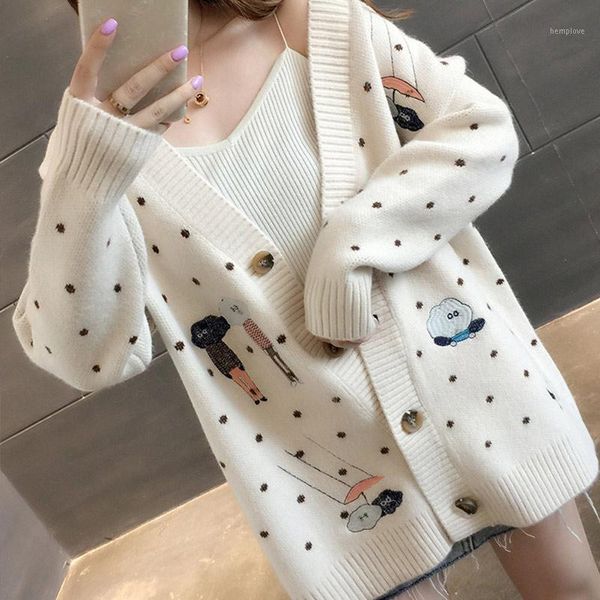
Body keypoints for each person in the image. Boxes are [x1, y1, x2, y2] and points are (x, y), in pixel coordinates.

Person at [13, 0, 600, 598]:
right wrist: (82, 180)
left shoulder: (314, 22)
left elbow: (480, 131)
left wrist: (354, 243)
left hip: (483, 395)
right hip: (337, 486)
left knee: (571, 589)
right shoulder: (95, 147)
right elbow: (83, 355)